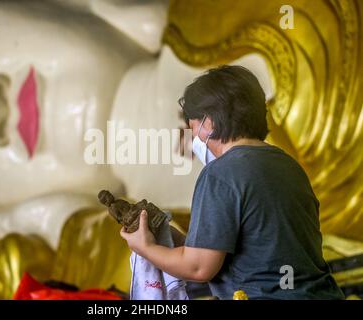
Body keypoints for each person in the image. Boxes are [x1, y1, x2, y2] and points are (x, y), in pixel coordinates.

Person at [120, 65, 345, 299]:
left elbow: (199, 268)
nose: (193, 136)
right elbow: (233, 252)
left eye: (193, 126)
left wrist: (145, 248)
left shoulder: (220, 173)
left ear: (209, 122)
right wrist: (168, 237)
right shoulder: (288, 165)